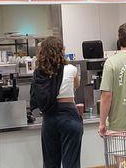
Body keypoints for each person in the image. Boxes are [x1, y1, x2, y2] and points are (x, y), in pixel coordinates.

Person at [35, 36, 83, 168]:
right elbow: (77, 85)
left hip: (49, 118)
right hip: (69, 117)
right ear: (62, 50)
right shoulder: (71, 69)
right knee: (71, 162)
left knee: (50, 162)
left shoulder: (40, 72)